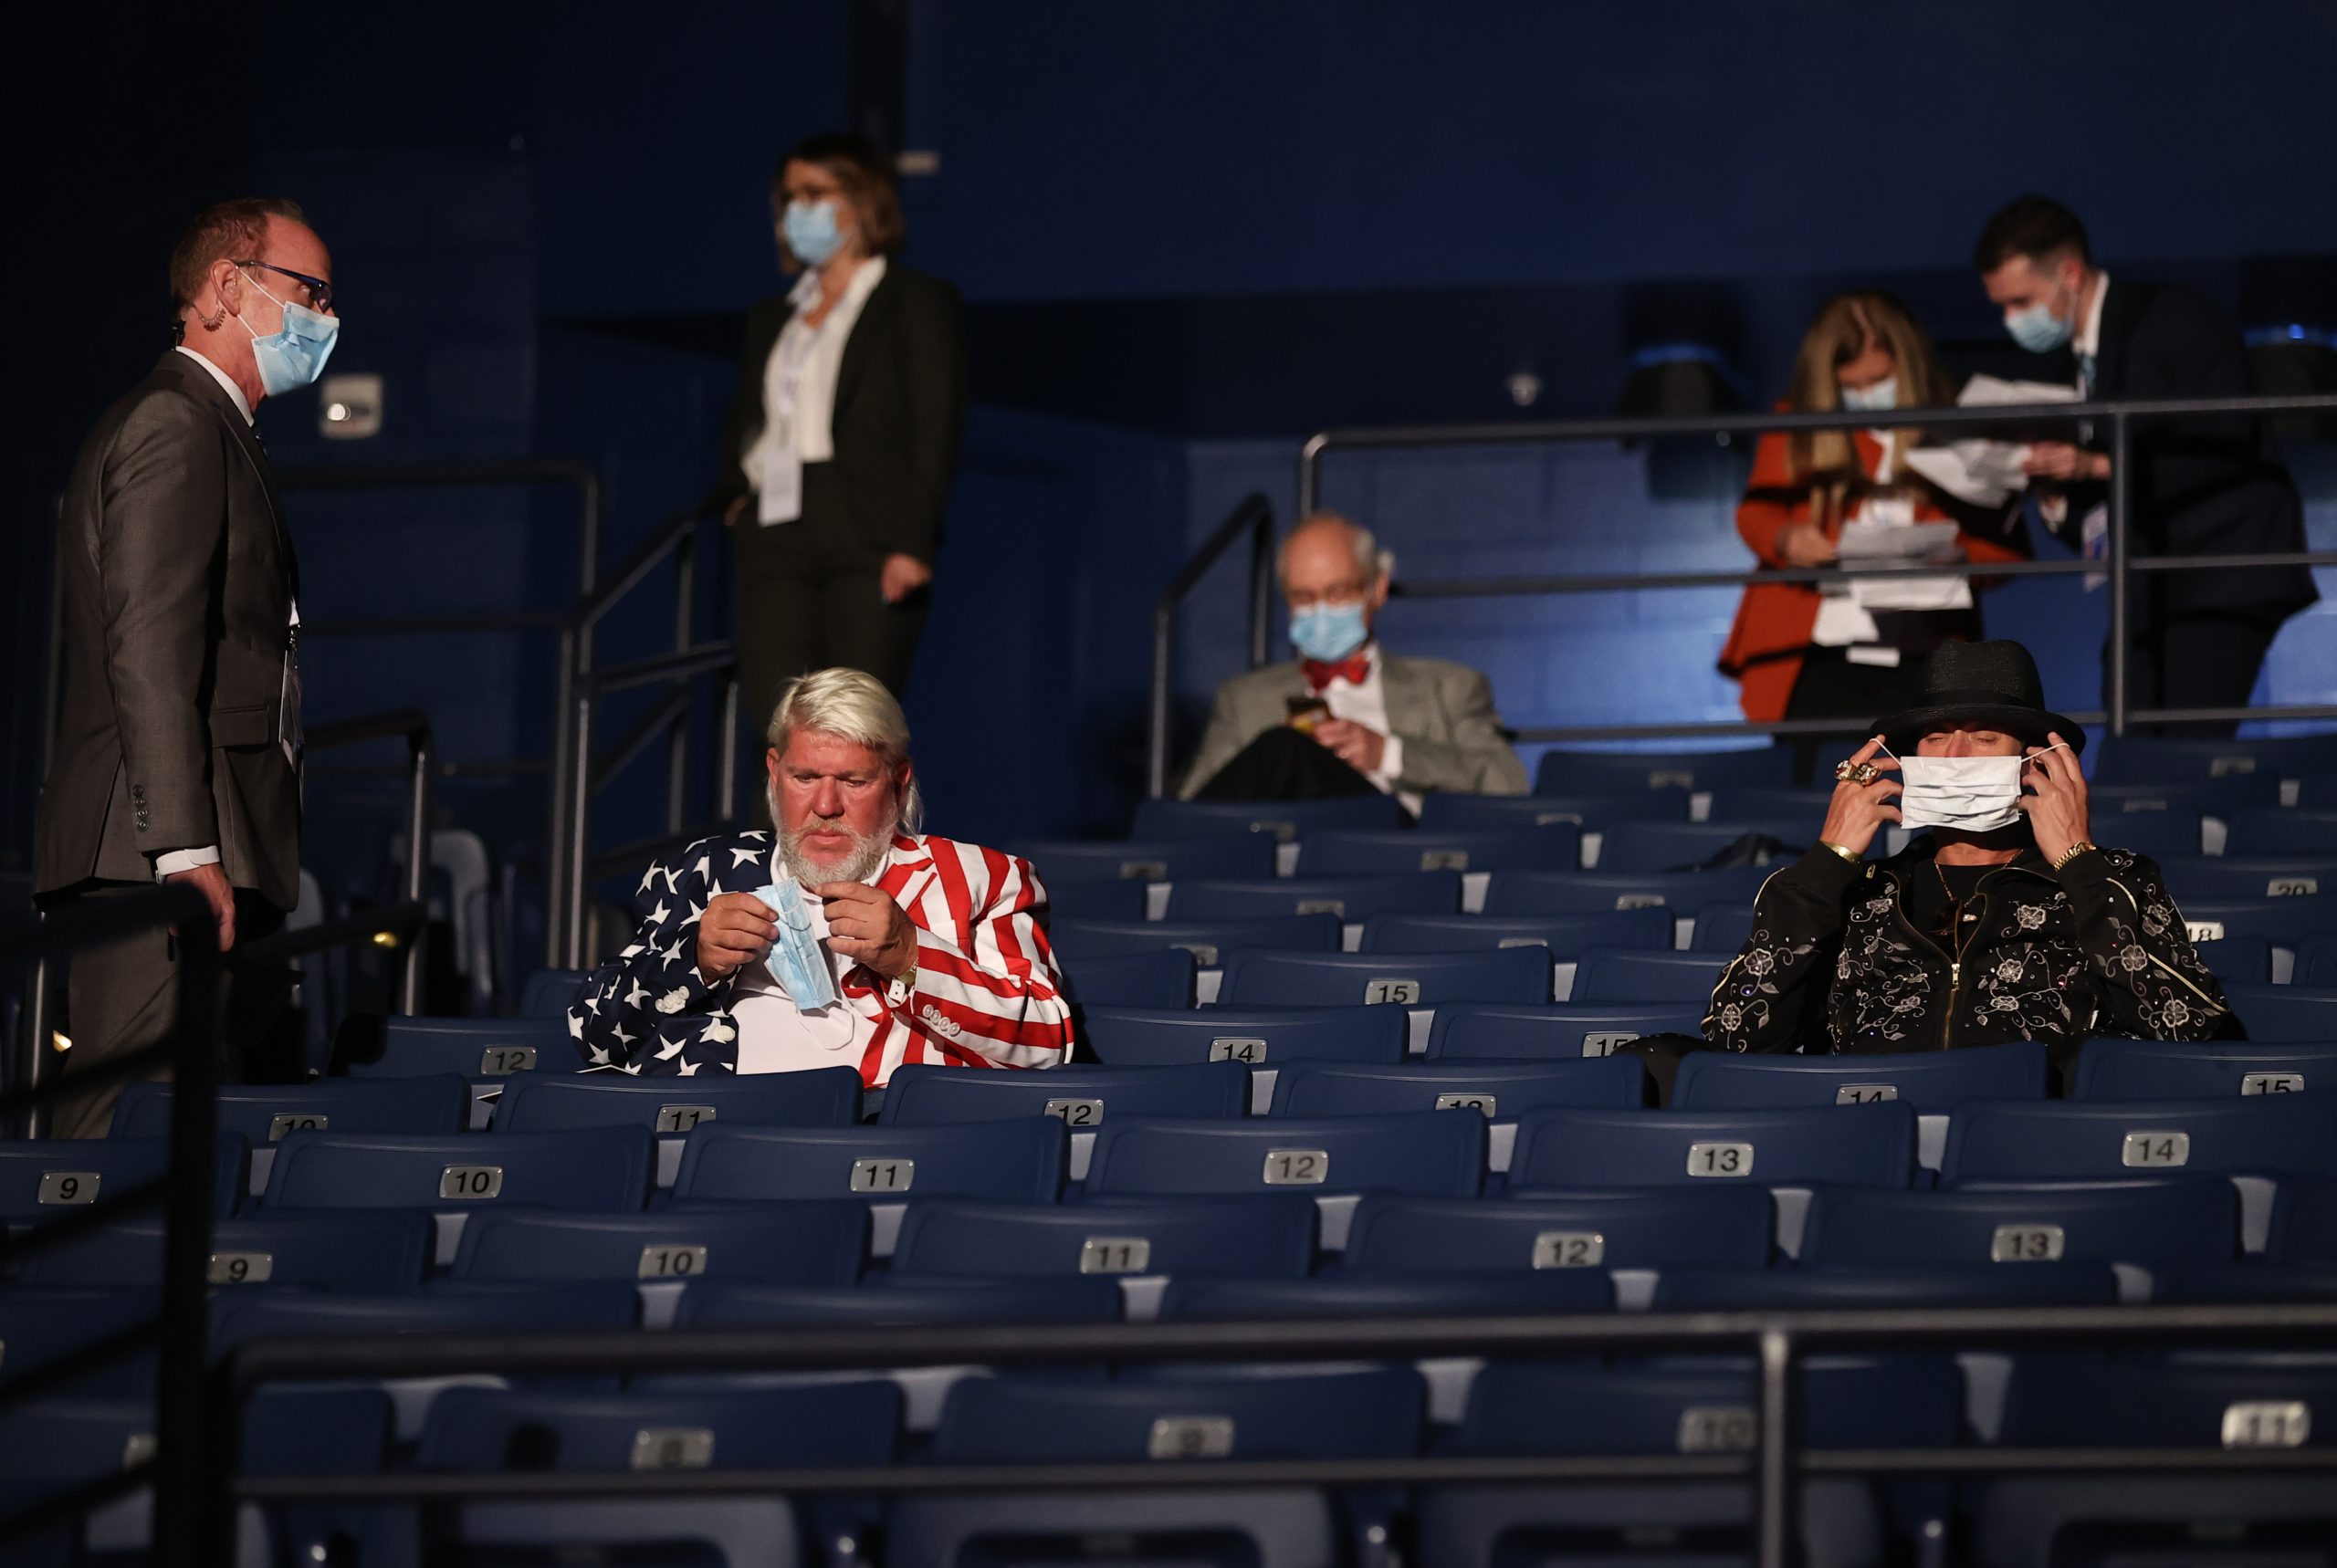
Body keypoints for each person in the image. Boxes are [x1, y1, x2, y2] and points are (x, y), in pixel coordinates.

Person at [35, 197, 334, 1136]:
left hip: (209, 847)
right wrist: (183, 848)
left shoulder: (219, 427)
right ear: (223, 287)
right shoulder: (175, 422)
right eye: (309, 292)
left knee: (187, 1145)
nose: (326, 319)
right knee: (117, 1142)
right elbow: (151, 644)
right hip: (151, 858)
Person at [1702, 641, 2231, 1076]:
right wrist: (1827, 862)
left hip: (2029, 1137)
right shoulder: (1857, 891)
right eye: (1935, 738)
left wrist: (2079, 863)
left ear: (2036, 761)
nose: (1955, 757)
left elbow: (2191, 1032)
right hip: (1872, 1129)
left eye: (1984, 737)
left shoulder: (2111, 878)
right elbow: (1735, 1038)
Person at [570, 668, 1070, 1082]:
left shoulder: (979, 878)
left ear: (898, 782)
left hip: (879, 1136)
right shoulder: (708, 870)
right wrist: (694, 957)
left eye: (854, 781)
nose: (825, 806)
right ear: (773, 771)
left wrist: (912, 957)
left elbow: (1049, 1043)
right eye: (804, 778)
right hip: (714, 1130)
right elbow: (591, 1033)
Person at [1973, 195, 2316, 735]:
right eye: (2003, 308)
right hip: (2146, 584)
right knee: (2130, 740)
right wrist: (2053, 488)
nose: (2012, 320)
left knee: (2177, 753)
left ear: (2069, 272)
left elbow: (2228, 438)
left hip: (2218, 571)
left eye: (2021, 302)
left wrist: (2096, 466)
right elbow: (2100, 503)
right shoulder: (2081, 362)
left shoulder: (2173, 316)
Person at [708, 132, 967, 719]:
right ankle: (773, 818)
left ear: (861, 199)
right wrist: (736, 497)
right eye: (789, 196)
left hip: (868, 530)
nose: (799, 209)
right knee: (777, 723)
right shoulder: (774, 315)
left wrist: (913, 543)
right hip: (776, 522)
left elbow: (935, 425)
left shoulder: (913, 300)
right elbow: (753, 418)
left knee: (854, 722)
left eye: (814, 192)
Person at [1718, 292, 2028, 768]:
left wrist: (1958, 557)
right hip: (1821, 654)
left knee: (1923, 805)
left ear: (1908, 363)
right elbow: (1757, 513)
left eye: (1880, 381)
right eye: (1852, 387)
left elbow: (2008, 548)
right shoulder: (1797, 423)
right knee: (1819, 796)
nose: (1867, 396)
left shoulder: (1961, 426)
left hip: (1924, 656)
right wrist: (1789, 539)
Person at [1178, 511, 1528, 811]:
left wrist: (1388, 754)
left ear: (1376, 590)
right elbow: (1191, 807)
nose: (1322, 611)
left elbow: (1508, 783)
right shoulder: (1244, 700)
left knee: (1285, 747)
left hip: (1396, 847)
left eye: (1338, 592)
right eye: (1304, 597)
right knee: (1283, 747)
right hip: (1284, 855)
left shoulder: (1449, 688)